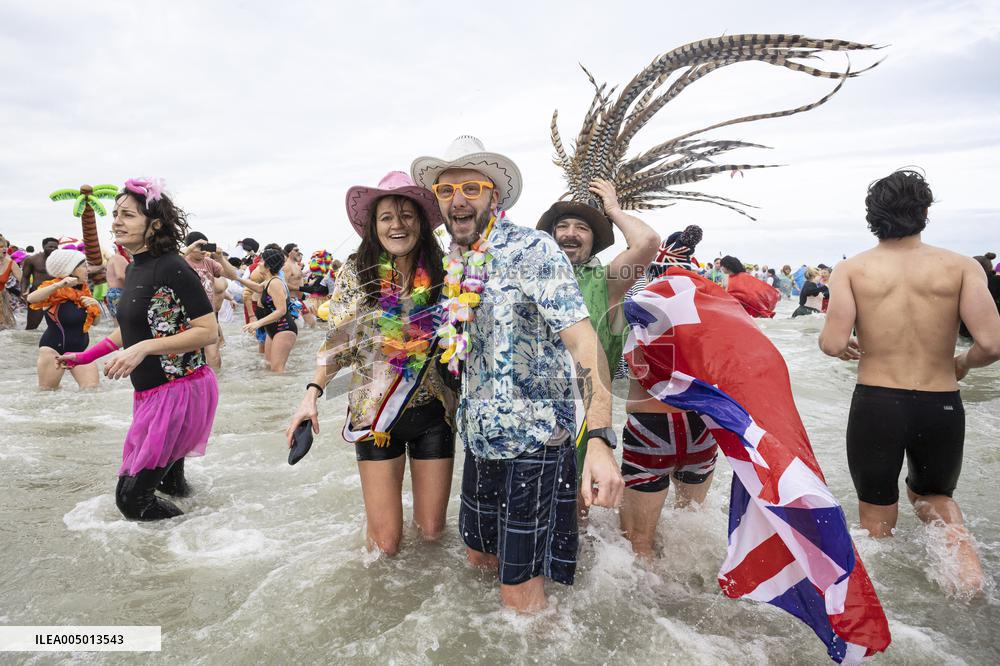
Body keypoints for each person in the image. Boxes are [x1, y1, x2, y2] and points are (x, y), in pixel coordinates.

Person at [410, 136, 623, 611]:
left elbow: (585, 342)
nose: (457, 200)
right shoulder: (454, 261)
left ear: (494, 196)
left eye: (470, 187)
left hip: (537, 443)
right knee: (478, 560)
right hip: (481, 440)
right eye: (446, 192)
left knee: (519, 594)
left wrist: (602, 439)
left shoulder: (533, 248)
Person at [819, 169, 1000, 595]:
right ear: (924, 211)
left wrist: (845, 347)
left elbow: (831, 342)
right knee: (935, 498)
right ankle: (969, 580)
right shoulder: (961, 266)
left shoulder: (851, 269)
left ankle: (889, 614)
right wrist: (961, 363)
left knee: (877, 517)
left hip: (877, 403)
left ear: (872, 216)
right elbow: (992, 344)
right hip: (940, 402)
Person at [287, 171, 455, 556]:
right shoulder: (356, 275)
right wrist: (311, 394)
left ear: (423, 223)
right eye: (386, 217)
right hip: (374, 414)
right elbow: (337, 344)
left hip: (434, 412)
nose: (397, 225)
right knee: (386, 545)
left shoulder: (448, 273)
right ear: (373, 227)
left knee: (432, 535)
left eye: (407, 216)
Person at [58, 178, 219, 521]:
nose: (116, 221)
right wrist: (85, 356)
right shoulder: (133, 267)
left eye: (128, 215)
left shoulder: (174, 267)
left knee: (132, 499)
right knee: (170, 488)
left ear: (154, 224)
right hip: (152, 395)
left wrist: (144, 348)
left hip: (180, 392)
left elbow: (208, 332)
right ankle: (201, 534)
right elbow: (130, 328)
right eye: (115, 213)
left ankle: (199, 537)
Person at [536, 180, 659, 480]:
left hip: (587, 414)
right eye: (562, 226)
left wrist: (613, 209)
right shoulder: (534, 280)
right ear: (551, 236)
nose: (570, 233)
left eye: (582, 228)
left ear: (593, 241)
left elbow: (647, 241)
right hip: (536, 414)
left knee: (578, 511)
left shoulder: (609, 281)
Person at [617, 227, 720, 556]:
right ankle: (688, 600)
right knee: (691, 534)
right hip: (703, 426)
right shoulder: (711, 297)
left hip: (650, 427)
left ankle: (648, 605)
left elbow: (619, 367)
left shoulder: (635, 293)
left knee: (638, 544)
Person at [26, 249, 102, 389]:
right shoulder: (54, 290)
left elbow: (95, 323)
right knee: (48, 394)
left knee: (93, 391)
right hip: (52, 350)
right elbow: (31, 299)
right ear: (71, 268)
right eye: (84, 265)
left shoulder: (84, 290)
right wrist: (59, 285)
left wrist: (96, 307)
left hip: (80, 350)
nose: (88, 269)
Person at [240, 248, 297, 373]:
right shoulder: (269, 281)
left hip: (284, 328)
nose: (259, 263)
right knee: (268, 366)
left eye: (261, 261)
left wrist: (257, 323)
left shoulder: (275, 283)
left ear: (267, 265)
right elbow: (259, 288)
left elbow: (281, 310)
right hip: (272, 328)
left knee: (277, 370)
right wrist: (237, 278)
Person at [181, 232, 226, 370]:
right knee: (188, 357)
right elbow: (168, 261)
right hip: (186, 315)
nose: (203, 250)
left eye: (205, 246)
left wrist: (221, 258)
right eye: (200, 246)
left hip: (208, 314)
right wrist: (190, 248)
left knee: (214, 355)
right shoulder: (181, 261)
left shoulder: (210, 262)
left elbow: (231, 275)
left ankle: (216, 383)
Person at [20, 237, 60, 330]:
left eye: (55, 247)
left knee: (58, 325)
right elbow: (25, 277)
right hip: (37, 295)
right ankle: (28, 343)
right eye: (50, 247)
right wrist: (23, 291)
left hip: (56, 296)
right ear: (43, 246)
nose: (53, 249)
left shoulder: (60, 260)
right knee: (32, 327)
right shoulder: (32, 260)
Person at [283, 242, 314, 329]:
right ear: (289, 252)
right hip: (291, 301)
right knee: (297, 327)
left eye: (298, 250)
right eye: (296, 250)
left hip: (300, 299)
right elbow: (283, 283)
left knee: (312, 323)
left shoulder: (296, 265)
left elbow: (297, 278)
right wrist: (301, 288)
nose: (298, 252)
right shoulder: (287, 266)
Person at [1, 234, 24, 329]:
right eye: (0, 247)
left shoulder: (11, 263)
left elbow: (23, 281)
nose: (4, 249)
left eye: (5, 246)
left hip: (2, 300)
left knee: (4, 328)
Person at [104, 244, 130, 325]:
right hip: (118, 292)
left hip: (113, 292)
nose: (129, 252)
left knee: (118, 322)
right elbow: (120, 275)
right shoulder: (118, 258)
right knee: (125, 322)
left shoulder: (112, 258)